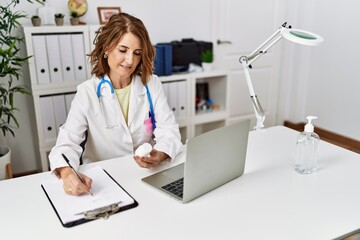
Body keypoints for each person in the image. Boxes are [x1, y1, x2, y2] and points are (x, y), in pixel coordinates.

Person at [48, 12, 183, 196]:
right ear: (106, 48)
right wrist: (66, 173)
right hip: (103, 182)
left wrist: (160, 153)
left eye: (137, 53)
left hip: (145, 177)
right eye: (123, 50)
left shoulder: (152, 84)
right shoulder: (87, 92)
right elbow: (66, 145)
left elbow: (169, 130)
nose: (130, 61)